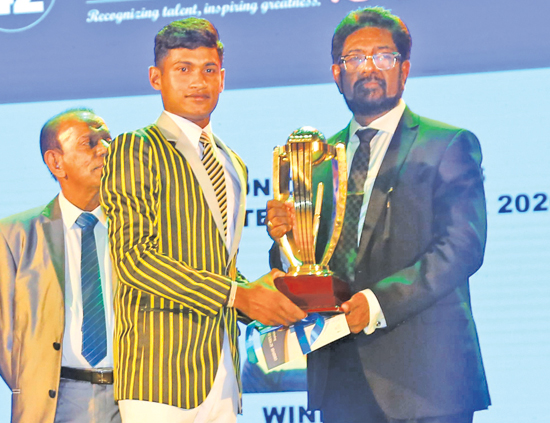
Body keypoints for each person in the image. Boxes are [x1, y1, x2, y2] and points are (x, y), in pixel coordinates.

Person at [267, 7, 490, 423]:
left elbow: (462, 248)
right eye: (355, 58)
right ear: (337, 73)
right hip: (341, 379)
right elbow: (311, 264)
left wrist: (376, 302)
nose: (369, 67)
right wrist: (284, 244)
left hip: (427, 384)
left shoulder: (448, 144)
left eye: (383, 56)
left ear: (404, 70)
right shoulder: (316, 158)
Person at [100, 18, 305, 423]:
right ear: (156, 78)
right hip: (158, 374)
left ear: (223, 78)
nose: (198, 81)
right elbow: (133, 260)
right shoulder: (134, 147)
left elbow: (219, 269)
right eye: (183, 69)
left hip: (223, 372)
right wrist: (238, 295)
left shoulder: (233, 162)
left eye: (209, 70)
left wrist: (263, 293)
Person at [0, 108, 120, 423]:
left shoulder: (135, 227)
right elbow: (6, 338)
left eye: (107, 139)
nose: (105, 149)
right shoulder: (14, 234)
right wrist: (37, 382)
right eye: (89, 142)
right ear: (56, 162)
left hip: (132, 397)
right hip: (57, 401)